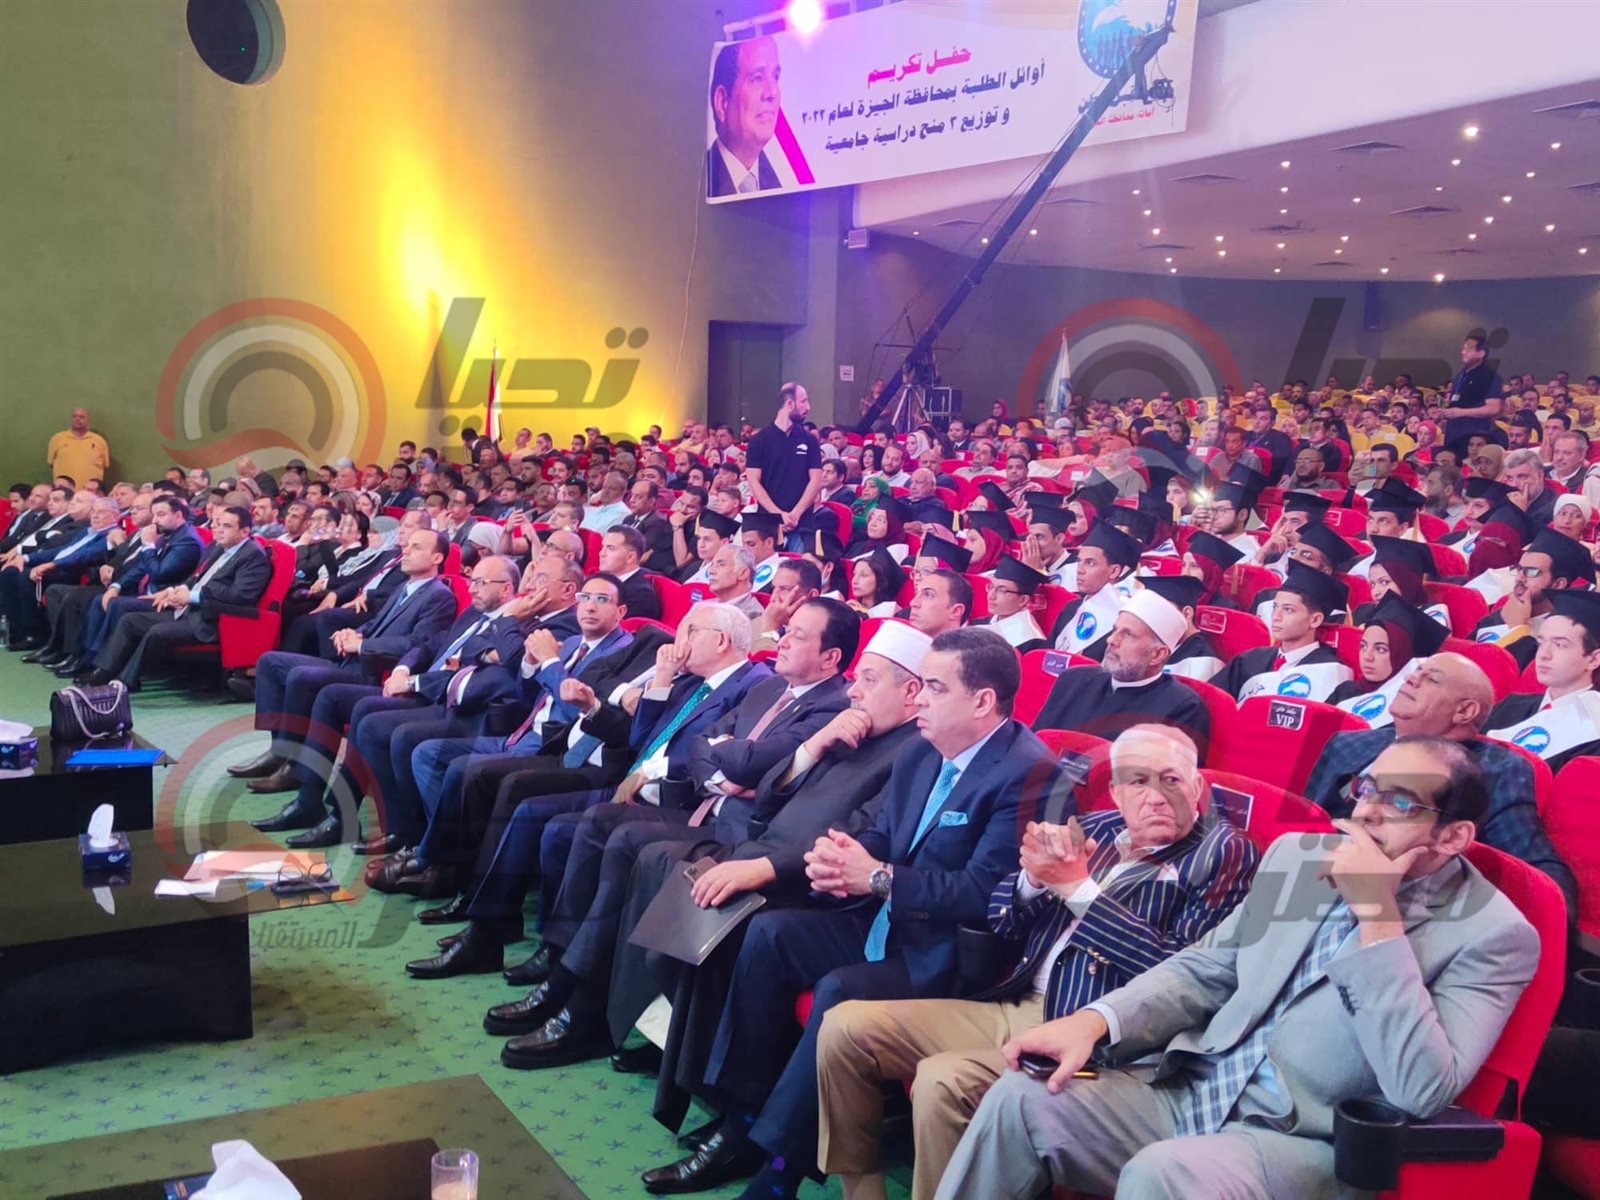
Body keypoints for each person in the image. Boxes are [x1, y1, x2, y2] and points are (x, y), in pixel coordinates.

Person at [936, 735, 1538, 1200]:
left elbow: (1422, 1089)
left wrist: (1378, 916)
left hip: (1303, 1141)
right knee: (1020, 1098)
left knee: (1164, 1173)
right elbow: (1208, 967)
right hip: (1192, 1088)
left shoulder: (1494, 934)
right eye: (1368, 788)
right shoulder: (1298, 857)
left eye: (1401, 801)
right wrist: (1094, 1022)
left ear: (1453, 837)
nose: (1369, 812)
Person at [638, 630, 1064, 1199]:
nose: (919, 699)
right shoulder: (921, 750)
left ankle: (778, 1171)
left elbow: (985, 894)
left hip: (950, 954)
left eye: (935, 688)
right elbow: (884, 834)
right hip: (886, 920)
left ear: (982, 701)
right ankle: (742, 1118)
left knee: (840, 989)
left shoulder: (1030, 774)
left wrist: (878, 877)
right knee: (769, 933)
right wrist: (840, 860)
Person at [817, 725, 1259, 1200]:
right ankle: (862, 1192)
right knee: (845, 1027)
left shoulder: (1223, 852)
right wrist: (1032, 879)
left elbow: (1177, 971)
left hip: (1099, 1035)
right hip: (1018, 1003)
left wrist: (1077, 890)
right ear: (1115, 793)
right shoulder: (1096, 828)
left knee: (942, 1081)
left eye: (1171, 779)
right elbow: (1002, 919)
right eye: (1138, 782)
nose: (1156, 797)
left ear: (1198, 787)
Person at [485, 598, 856, 1066]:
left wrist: (728, 760)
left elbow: (750, 764)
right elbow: (703, 746)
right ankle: (565, 974)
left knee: (627, 840)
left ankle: (579, 1004)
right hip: (708, 807)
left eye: (797, 635)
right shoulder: (769, 690)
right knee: (602, 823)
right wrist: (724, 769)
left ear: (830, 657)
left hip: (743, 833)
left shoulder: (831, 706)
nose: (780, 639)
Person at [1301, 651, 1577, 914]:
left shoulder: (1496, 770)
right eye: (1415, 672)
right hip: (1307, 884)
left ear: (1464, 711)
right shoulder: (1347, 743)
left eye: (1431, 679)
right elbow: (1300, 822)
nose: (1411, 678)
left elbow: (1546, 886)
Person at [77, 505, 273, 691]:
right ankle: (103, 672)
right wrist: (176, 591)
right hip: (188, 609)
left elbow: (240, 596)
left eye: (227, 526)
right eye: (219, 524)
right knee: (130, 620)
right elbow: (197, 577)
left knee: (156, 631)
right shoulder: (219, 546)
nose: (219, 530)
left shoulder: (252, 556)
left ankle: (125, 681)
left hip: (211, 620)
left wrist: (192, 596)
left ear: (244, 531)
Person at [1033, 591, 1213, 752]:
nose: (1111, 640)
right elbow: (1034, 747)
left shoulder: (1183, 708)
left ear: (1157, 655)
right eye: (1114, 630)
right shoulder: (1072, 680)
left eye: (1128, 635)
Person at [1484, 590, 1600, 772]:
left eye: (1560, 645)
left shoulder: (1593, 728)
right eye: (1541, 642)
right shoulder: (1510, 705)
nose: (1544, 654)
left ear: (1593, 659)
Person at [1214, 563, 1351, 703]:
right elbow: (1213, 702)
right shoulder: (1249, 660)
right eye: (1275, 607)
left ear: (1315, 620)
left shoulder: (1329, 671)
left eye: (1288, 610)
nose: (1276, 617)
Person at [1473, 528, 1596, 669]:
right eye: (1519, 569)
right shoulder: (1496, 617)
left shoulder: (1566, 634)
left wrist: (1518, 629)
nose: (1520, 578)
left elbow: (1530, 676)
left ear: (1558, 584)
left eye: (1532, 572)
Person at [1331, 593, 1450, 728]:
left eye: (1380, 649)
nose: (1367, 657)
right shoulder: (1345, 691)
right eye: (1363, 646)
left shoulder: (1414, 705)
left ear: (1402, 654)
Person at [1047, 521, 1141, 659]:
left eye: (1090, 563)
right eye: (1079, 561)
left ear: (1114, 571)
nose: (1079, 570)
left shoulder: (1123, 622)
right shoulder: (1071, 608)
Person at [745, 382, 822, 547]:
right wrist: (778, 514)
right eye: (803, 401)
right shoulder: (759, 440)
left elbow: (815, 480)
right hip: (768, 524)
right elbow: (754, 482)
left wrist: (795, 514)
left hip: (802, 524)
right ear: (790, 403)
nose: (808, 407)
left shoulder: (809, 440)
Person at [706, 36, 782, 198]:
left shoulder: (779, 184)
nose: (773, 93)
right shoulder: (698, 179)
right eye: (757, 78)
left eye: (775, 76)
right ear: (722, 103)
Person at [1442, 332, 1504, 455]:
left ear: (1481, 353)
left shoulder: (1488, 376)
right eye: (1463, 349)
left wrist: (1460, 412)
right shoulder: (1460, 375)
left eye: (1468, 350)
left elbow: (1494, 408)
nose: (1463, 352)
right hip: (1453, 433)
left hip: (1473, 436)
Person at [972, 556, 1048, 651]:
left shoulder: (1032, 642)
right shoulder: (978, 624)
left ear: (1023, 600)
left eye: (1002, 590)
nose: (991, 596)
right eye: (991, 587)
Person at [597, 525, 662, 619]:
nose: (601, 554)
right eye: (602, 547)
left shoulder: (640, 595)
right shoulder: (602, 578)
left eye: (611, 548)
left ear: (630, 557)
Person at [46, 407, 111, 493]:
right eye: (74, 416)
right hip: (65, 493)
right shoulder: (58, 438)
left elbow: (104, 465)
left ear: (88, 420)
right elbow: (51, 463)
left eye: (81, 417)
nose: (77, 419)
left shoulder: (99, 440)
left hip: (91, 492)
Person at [702, 544, 765, 621]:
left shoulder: (753, 615)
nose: (711, 571)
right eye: (712, 565)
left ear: (743, 573)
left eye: (721, 565)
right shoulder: (703, 605)